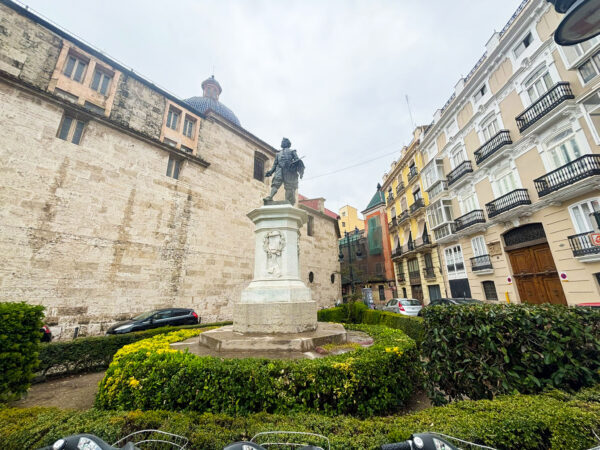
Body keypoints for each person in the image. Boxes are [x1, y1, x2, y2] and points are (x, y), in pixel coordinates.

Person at [263, 137, 305, 205]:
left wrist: (293, 164)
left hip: (289, 170)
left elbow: (297, 160)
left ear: (287, 143)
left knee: (289, 186)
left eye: (283, 142)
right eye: (282, 142)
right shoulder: (278, 154)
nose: (281, 143)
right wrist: (271, 171)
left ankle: (288, 200)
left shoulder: (292, 151)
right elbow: (275, 164)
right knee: (275, 183)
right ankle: (270, 197)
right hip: (279, 169)